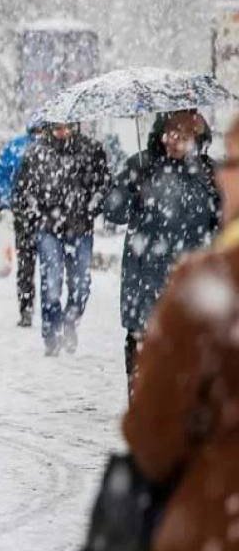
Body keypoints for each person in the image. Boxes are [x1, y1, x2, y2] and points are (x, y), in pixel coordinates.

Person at [122, 116, 239, 551]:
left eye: (232, 163)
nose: (221, 174)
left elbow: (151, 438)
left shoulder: (212, 287)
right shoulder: (143, 169)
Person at [104, 110, 220, 386]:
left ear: (197, 138)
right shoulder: (141, 166)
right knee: (143, 358)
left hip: (192, 282)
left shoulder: (209, 173)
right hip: (145, 277)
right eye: (170, 132)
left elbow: (224, 223)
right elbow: (113, 211)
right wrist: (130, 191)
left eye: (183, 135)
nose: (174, 141)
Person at [14, 123, 109, 356]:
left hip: (80, 227)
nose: (62, 131)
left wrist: (91, 207)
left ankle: (70, 322)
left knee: (81, 286)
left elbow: (103, 184)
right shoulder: (35, 153)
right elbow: (23, 188)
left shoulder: (91, 150)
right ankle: (51, 333)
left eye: (66, 126)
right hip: (49, 228)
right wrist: (37, 212)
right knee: (52, 284)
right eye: (57, 126)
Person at [0, 125, 42, 327]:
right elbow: (2, 174)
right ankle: (26, 307)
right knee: (26, 263)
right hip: (25, 213)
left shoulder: (55, 147)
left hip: (49, 214)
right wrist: (8, 199)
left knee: (48, 266)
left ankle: (49, 308)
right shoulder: (17, 146)